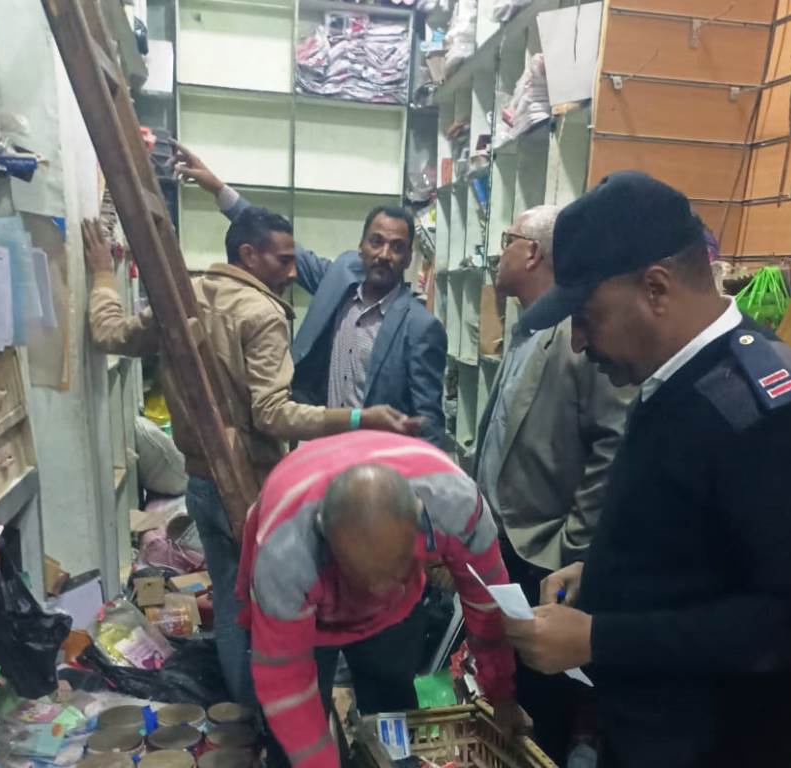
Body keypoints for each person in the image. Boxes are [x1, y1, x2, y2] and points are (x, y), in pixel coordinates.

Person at [503, 171, 791, 768]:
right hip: (646, 729)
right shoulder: (673, 380)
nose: (577, 342)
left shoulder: (768, 411)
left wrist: (599, 637)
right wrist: (603, 575)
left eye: (587, 316)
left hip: (716, 745)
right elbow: (699, 548)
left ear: (655, 287)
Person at [82, 213, 418, 705]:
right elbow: (272, 413)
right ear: (248, 255)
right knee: (285, 610)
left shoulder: (184, 297)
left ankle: (244, 718)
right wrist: (357, 418)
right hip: (250, 489)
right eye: (283, 260)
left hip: (201, 482)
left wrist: (101, 276)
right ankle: (277, 721)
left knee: (230, 603)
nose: (291, 271)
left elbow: (110, 333)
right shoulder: (261, 313)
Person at [235, 431, 527, 768]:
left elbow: (487, 606)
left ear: (419, 525)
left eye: (395, 571)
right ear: (328, 544)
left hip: (397, 609)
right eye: (364, 580)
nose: (379, 592)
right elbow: (286, 685)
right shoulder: (286, 557)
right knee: (292, 742)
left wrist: (501, 692)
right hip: (311, 613)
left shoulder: (456, 506)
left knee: (392, 712)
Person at [474, 204, 633, 761]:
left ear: (532, 252)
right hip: (501, 543)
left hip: (545, 554)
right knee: (507, 687)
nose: (498, 252)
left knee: (545, 701)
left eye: (507, 239)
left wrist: (572, 545)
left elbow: (614, 440)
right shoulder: (525, 328)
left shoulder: (580, 335)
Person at [173, 144, 448, 446]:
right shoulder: (338, 278)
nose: (384, 254)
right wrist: (217, 188)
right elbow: (269, 239)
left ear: (408, 258)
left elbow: (429, 422)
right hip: (320, 448)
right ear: (361, 246)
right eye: (376, 241)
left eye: (397, 247)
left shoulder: (421, 327)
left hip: (375, 461)